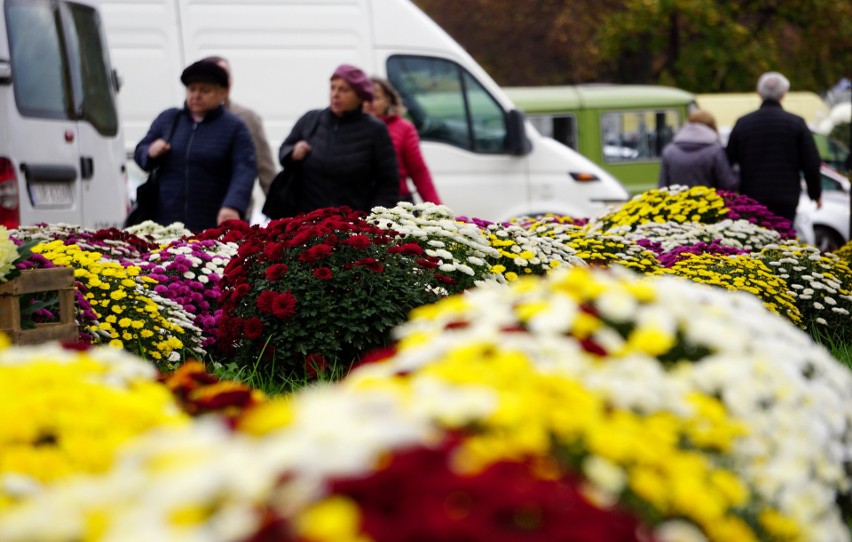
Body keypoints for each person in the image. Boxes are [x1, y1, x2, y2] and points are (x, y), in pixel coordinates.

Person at [134, 59, 256, 232]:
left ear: (222, 93)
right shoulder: (168, 119)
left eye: (205, 90)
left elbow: (245, 170)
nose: (196, 95)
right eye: (192, 89)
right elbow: (141, 152)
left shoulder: (235, 127)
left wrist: (232, 205)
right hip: (165, 222)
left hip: (211, 223)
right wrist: (150, 151)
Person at [271, 64, 398, 216]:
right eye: (332, 88)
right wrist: (292, 153)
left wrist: (372, 221)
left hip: (352, 228)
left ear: (359, 95)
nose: (335, 94)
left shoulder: (375, 130)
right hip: (306, 223)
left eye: (343, 90)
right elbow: (284, 152)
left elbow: (389, 183)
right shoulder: (310, 120)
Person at [725, 71, 822, 222]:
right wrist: (815, 194)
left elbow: (727, 160)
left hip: (751, 198)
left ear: (759, 93)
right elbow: (811, 163)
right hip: (786, 197)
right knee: (784, 240)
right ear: (784, 94)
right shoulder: (796, 123)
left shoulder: (743, 123)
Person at [202, 55, 277, 210]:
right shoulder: (188, 121)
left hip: (236, 212)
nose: (225, 80)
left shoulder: (247, 118)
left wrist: (280, 211)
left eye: (226, 75)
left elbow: (265, 168)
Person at [364, 77, 442, 204]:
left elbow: (419, 172)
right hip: (361, 204)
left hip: (397, 203)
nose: (369, 103)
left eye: (376, 98)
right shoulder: (351, 127)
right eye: (365, 98)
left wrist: (439, 211)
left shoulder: (403, 128)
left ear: (388, 101)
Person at [658, 109, 737, 191]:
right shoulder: (715, 150)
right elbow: (728, 184)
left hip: (677, 202)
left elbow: (662, 186)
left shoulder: (669, 150)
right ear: (711, 126)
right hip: (710, 202)